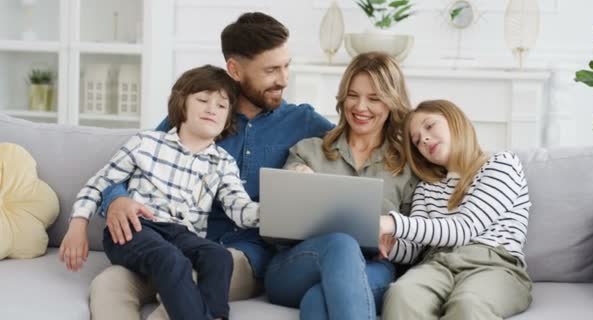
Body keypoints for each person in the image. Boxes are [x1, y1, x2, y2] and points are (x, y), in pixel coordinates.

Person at [88, 12, 334, 319]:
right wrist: (116, 199)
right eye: (271, 70)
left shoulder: (304, 122)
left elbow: (361, 142)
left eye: (286, 66)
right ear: (234, 69)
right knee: (108, 284)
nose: (284, 79)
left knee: (184, 293)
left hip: (242, 255)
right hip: (175, 241)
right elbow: (139, 160)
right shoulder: (201, 114)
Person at [60, 65, 260, 320]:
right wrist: (77, 227)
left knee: (218, 256)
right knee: (171, 259)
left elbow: (239, 209)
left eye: (222, 105)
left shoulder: (223, 162)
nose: (212, 109)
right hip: (136, 228)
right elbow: (99, 183)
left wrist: (272, 211)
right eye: (202, 100)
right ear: (181, 103)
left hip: (181, 234)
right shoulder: (146, 143)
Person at [263, 52, 420, 320]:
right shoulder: (307, 152)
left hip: (374, 267)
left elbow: (416, 246)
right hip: (295, 267)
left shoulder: (407, 167)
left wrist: (395, 240)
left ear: (392, 102)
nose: (360, 107)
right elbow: (271, 234)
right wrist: (296, 184)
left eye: (374, 98)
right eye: (353, 95)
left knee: (317, 299)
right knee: (341, 244)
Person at [379, 99, 533, 320]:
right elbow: (414, 249)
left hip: (494, 265)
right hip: (437, 264)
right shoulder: (427, 187)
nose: (424, 139)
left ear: (454, 120)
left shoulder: (501, 164)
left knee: (468, 303)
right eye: (417, 141)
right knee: (401, 293)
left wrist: (392, 223)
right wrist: (389, 245)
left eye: (429, 126)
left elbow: (464, 228)